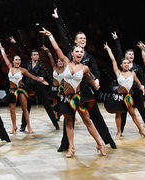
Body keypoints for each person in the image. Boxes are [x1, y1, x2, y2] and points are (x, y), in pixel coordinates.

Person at [52, 8, 117, 151]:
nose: (83, 40)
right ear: (75, 42)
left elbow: (95, 72)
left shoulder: (89, 58)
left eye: (85, 38)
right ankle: (66, 145)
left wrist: (97, 81)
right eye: (80, 38)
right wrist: (57, 19)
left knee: (95, 116)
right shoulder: (71, 51)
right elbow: (62, 36)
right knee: (68, 118)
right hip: (69, 89)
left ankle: (108, 140)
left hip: (85, 90)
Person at [41, 28, 106, 158]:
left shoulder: (85, 68)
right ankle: (71, 148)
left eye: (81, 52)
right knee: (69, 122)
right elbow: (57, 50)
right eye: (77, 51)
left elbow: (91, 79)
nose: (79, 53)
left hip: (78, 98)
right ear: (72, 53)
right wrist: (51, 36)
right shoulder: (65, 62)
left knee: (87, 120)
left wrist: (96, 84)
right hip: (65, 98)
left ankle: (100, 144)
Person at [9, 36, 60, 132]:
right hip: (29, 88)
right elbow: (20, 53)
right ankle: (23, 126)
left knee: (47, 105)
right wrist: (14, 43)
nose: (36, 56)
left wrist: (42, 77)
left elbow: (43, 74)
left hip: (39, 87)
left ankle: (55, 124)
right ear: (31, 56)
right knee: (26, 107)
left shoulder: (41, 66)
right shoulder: (27, 63)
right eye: (34, 55)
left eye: (37, 54)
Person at [111, 32, 145, 135]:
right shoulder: (123, 65)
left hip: (137, 91)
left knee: (142, 110)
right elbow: (118, 52)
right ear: (125, 56)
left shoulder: (137, 67)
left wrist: (143, 87)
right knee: (124, 112)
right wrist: (116, 40)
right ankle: (120, 131)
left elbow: (143, 79)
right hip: (126, 92)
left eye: (132, 54)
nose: (131, 55)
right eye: (129, 54)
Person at [0, 43, 49, 134]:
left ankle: (29, 126)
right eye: (16, 59)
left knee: (25, 108)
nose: (18, 61)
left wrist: (41, 79)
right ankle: (14, 127)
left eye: (19, 60)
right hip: (12, 91)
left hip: (20, 90)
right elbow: (5, 57)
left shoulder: (23, 70)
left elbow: (32, 76)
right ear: (13, 61)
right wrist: (2, 49)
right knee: (12, 109)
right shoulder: (9, 67)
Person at [103, 42, 145, 139]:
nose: (127, 64)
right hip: (119, 96)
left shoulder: (133, 74)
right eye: (124, 63)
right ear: (121, 65)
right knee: (118, 114)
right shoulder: (118, 72)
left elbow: (139, 84)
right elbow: (113, 60)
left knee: (133, 114)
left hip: (128, 97)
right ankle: (119, 132)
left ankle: (141, 130)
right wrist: (109, 50)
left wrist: (142, 89)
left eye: (128, 63)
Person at [42, 45, 64, 121]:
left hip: (62, 88)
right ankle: (55, 116)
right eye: (59, 61)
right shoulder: (54, 67)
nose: (60, 62)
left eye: (61, 61)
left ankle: (63, 114)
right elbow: (51, 59)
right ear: (57, 62)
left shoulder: (65, 69)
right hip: (54, 87)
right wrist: (48, 52)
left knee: (62, 101)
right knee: (54, 101)